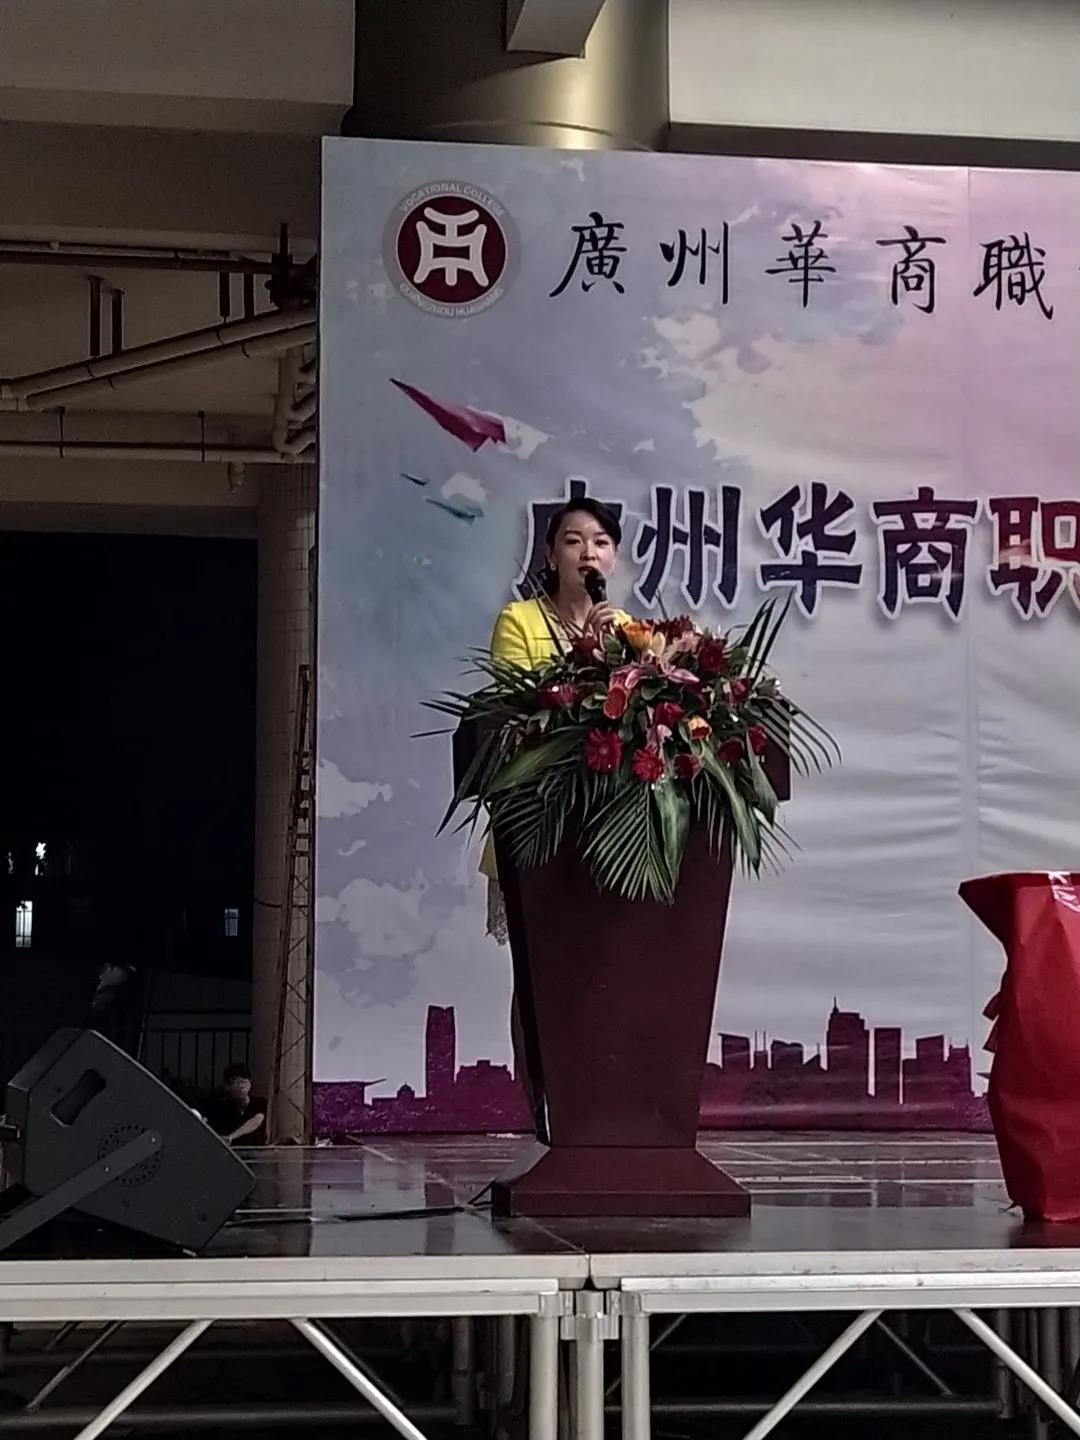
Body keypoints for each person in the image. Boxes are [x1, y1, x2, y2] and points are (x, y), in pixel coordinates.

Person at [483, 499, 628, 1128]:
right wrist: (586, 652)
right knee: (540, 973)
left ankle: (603, 1107)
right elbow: (519, 712)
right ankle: (544, 1111)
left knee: (606, 969)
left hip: (615, 830)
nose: (588, 552)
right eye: (573, 540)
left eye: (600, 542)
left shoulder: (627, 629)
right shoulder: (518, 621)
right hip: (539, 825)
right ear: (550, 555)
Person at [206, 1063, 267, 1146]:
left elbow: (256, 1121)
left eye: (244, 1082)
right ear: (227, 1086)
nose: (241, 1087)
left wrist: (231, 1137)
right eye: (237, 1083)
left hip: (256, 1151)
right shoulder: (222, 1109)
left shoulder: (260, 1102)